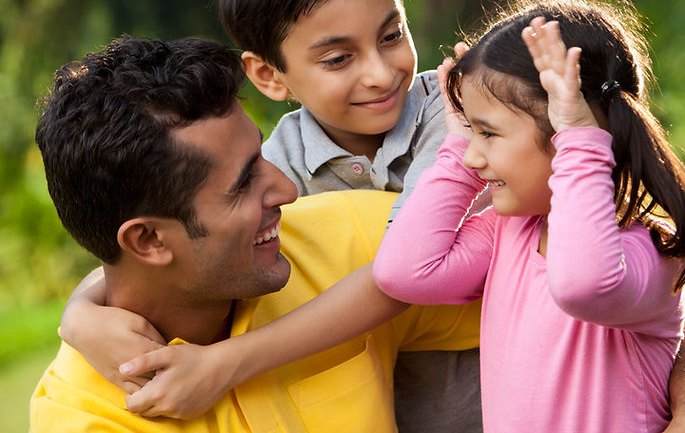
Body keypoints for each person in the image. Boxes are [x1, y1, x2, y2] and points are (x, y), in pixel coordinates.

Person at [60, 0, 685, 432]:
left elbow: (420, 274)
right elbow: (175, 247)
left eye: (392, 33)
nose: (381, 73)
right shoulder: (279, 165)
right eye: (337, 58)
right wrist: (81, 309)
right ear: (270, 75)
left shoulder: (465, 120)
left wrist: (227, 362)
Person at [30, 36, 480, 432]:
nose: (286, 189)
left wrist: (79, 308)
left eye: (262, 156)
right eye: (244, 182)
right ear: (148, 241)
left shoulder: (350, 238)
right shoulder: (83, 418)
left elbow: (534, 257)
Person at [373, 0, 685, 432]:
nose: (471, 159)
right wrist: (456, 141)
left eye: (488, 135)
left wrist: (579, 138)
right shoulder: (508, 232)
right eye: (469, 134)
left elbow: (581, 285)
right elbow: (403, 270)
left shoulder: (651, 252)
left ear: (567, 135)